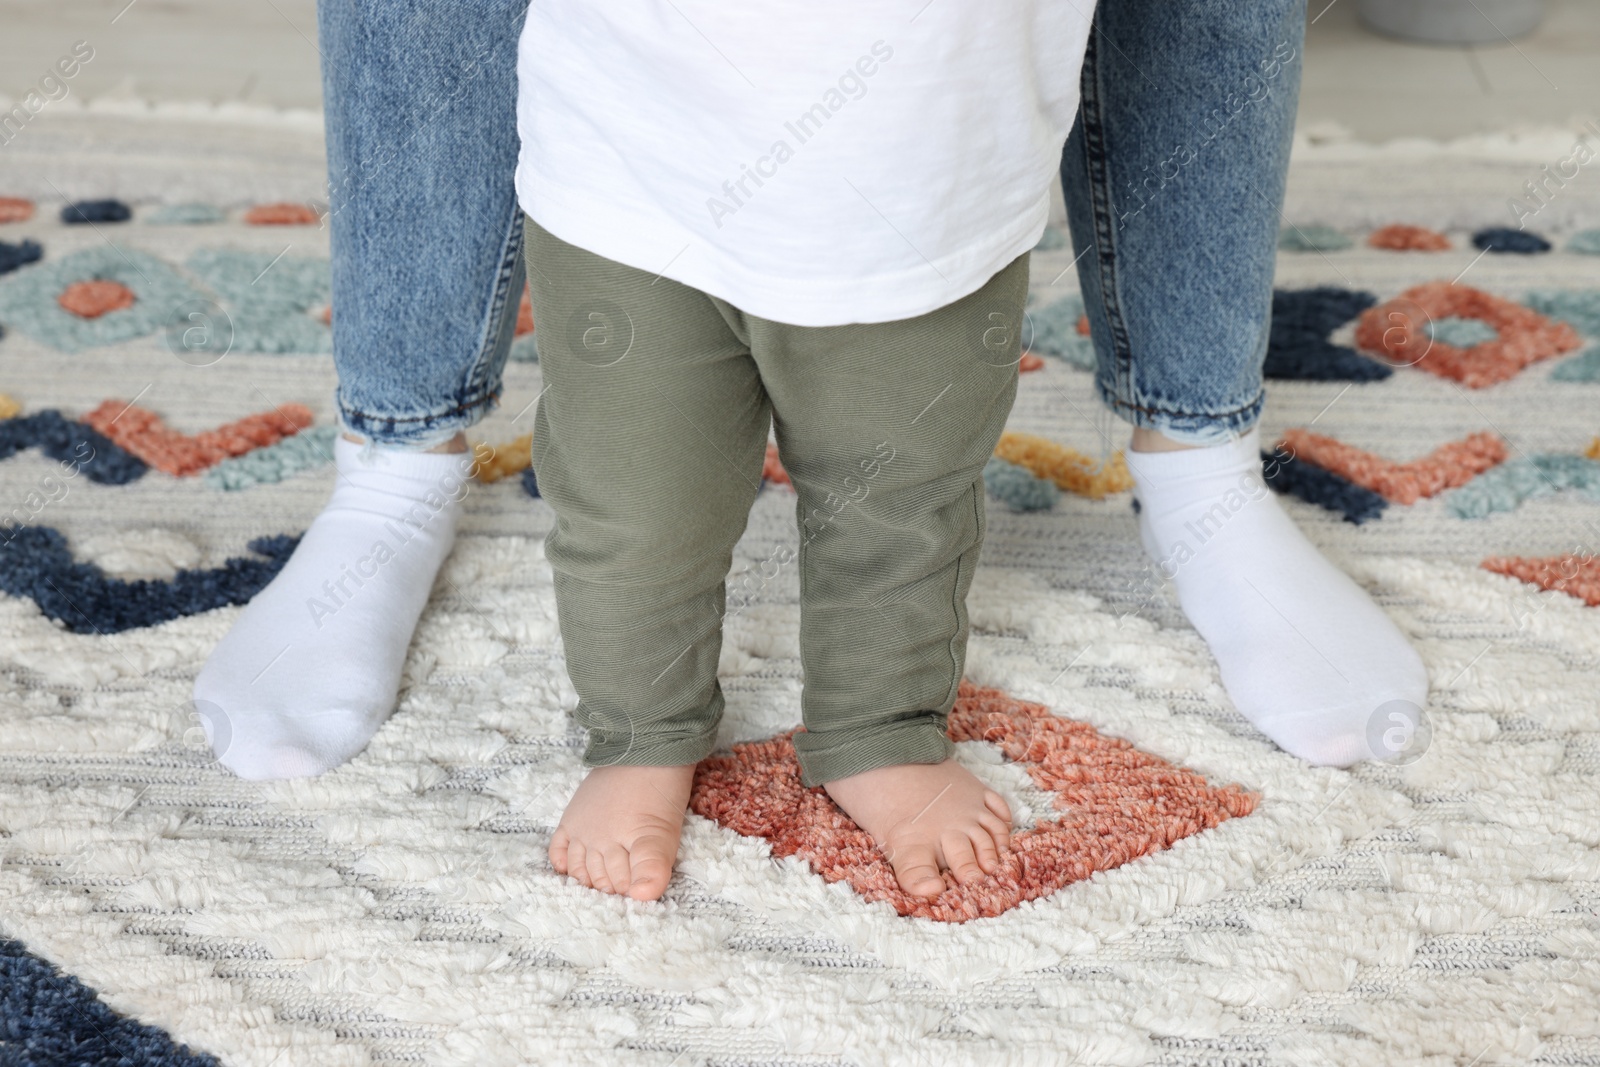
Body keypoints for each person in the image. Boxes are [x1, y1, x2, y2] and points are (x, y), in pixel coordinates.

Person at [194, 0, 1427, 901]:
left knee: (899, 501)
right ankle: (637, 728)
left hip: (932, 193)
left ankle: (884, 725)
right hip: (633, 186)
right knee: (635, 507)